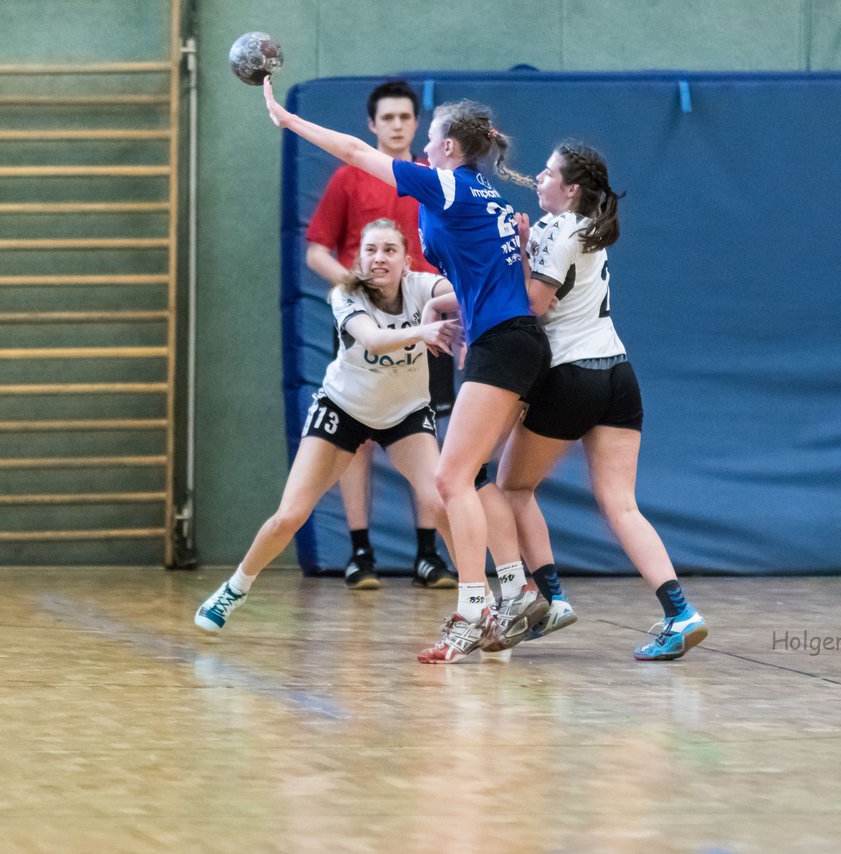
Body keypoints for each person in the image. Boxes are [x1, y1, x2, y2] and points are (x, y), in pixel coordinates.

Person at [263, 79, 551, 663]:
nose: (422, 145)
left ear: (446, 145)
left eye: (431, 136)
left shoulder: (446, 185)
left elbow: (354, 151)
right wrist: (441, 313)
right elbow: (482, 281)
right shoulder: (486, 194)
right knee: (473, 480)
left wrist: (288, 120)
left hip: (503, 344)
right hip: (512, 341)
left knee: (452, 480)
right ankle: (516, 590)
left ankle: (477, 609)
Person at [195, 219, 460, 633]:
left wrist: (481, 272)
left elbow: (465, 292)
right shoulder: (346, 294)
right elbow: (371, 339)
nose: (379, 258)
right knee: (290, 515)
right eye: (370, 250)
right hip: (343, 409)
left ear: (407, 261)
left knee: (442, 503)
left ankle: (478, 607)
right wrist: (425, 328)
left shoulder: (422, 287)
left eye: (389, 250)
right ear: (359, 259)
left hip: (405, 413)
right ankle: (236, 586)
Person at [498, 142, 708, 661]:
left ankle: (549, 600)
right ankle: (680, 612)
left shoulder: (557, 229)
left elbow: (534, 307)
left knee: (511, 487)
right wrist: (528, 244)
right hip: (618, 373)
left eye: (547, 173)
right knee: (621, 504)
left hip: (573, 375)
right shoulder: (587, 228)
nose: (538, 179)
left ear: (570, 189)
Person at [304, 80, 455, 591]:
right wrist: (355, 293)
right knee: (357, 438)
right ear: (372, 125)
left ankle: (429, 555)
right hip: (364, 329)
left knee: (426, 432)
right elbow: (317, 250)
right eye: (386, 118)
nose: (395, 125)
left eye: (404, 117)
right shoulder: (349, 178)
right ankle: (360, 551)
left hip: (426, 321)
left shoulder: (434, 178)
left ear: (417, 124)